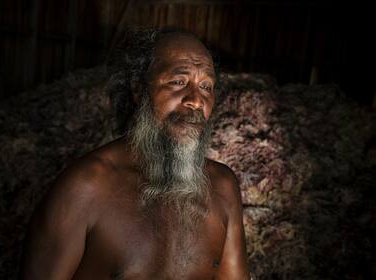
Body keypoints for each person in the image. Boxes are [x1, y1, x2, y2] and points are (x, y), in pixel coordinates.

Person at [20, 28, 250, 280]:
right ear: (139, 91)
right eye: (178, 82)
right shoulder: (87, 186)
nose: (196, 100)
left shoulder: (223, 187)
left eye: (207, 86)